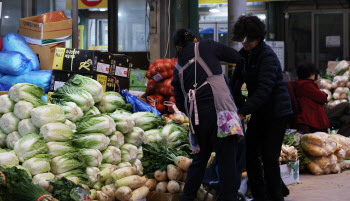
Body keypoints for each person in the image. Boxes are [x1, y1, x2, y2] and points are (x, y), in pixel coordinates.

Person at [171, 28, 244, 201]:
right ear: (195, 39)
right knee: (228, 161)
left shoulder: (178, 68)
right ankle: (227, 198)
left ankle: (187, 197)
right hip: (222, 114)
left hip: (197, 121)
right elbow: (236, 57)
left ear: (178, 48)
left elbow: (180, 103)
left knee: (200, 160)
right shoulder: (207, 46)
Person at [230, 15, 293, 201]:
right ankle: (259, 195)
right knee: (250, 155)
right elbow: (235, 83)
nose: (245, 44)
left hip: (277, 112)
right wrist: (234, 103)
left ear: (258, 38)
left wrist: (242, 112)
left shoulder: (268, 57)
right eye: (242, 41)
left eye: (248, 40)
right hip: (259, 111)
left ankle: (275, 196)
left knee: (269, 158)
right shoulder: (244, 56)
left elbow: (264, 90)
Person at [295, 62, 330, 134]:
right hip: (310, 121)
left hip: (309, 119)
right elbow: (323, 98)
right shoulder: (306, 85)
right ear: (311, 74)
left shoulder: (301, 84)